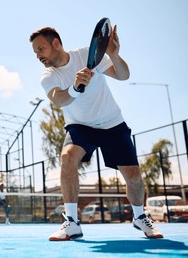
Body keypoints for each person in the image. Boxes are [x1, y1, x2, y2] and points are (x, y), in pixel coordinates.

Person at [29, 25, 163, 241]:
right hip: (80, 126)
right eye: (35, 52)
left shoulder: (86, 55)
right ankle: (71, 222)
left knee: (133, 176)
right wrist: (74, 86)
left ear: (56, 44)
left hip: (111, 123)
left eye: (41, 49)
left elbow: (123, 75)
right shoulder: (48, 76)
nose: (38, 56)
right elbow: (58, 99)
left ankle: (139, 218)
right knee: (67, 156)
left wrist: (114, 55)